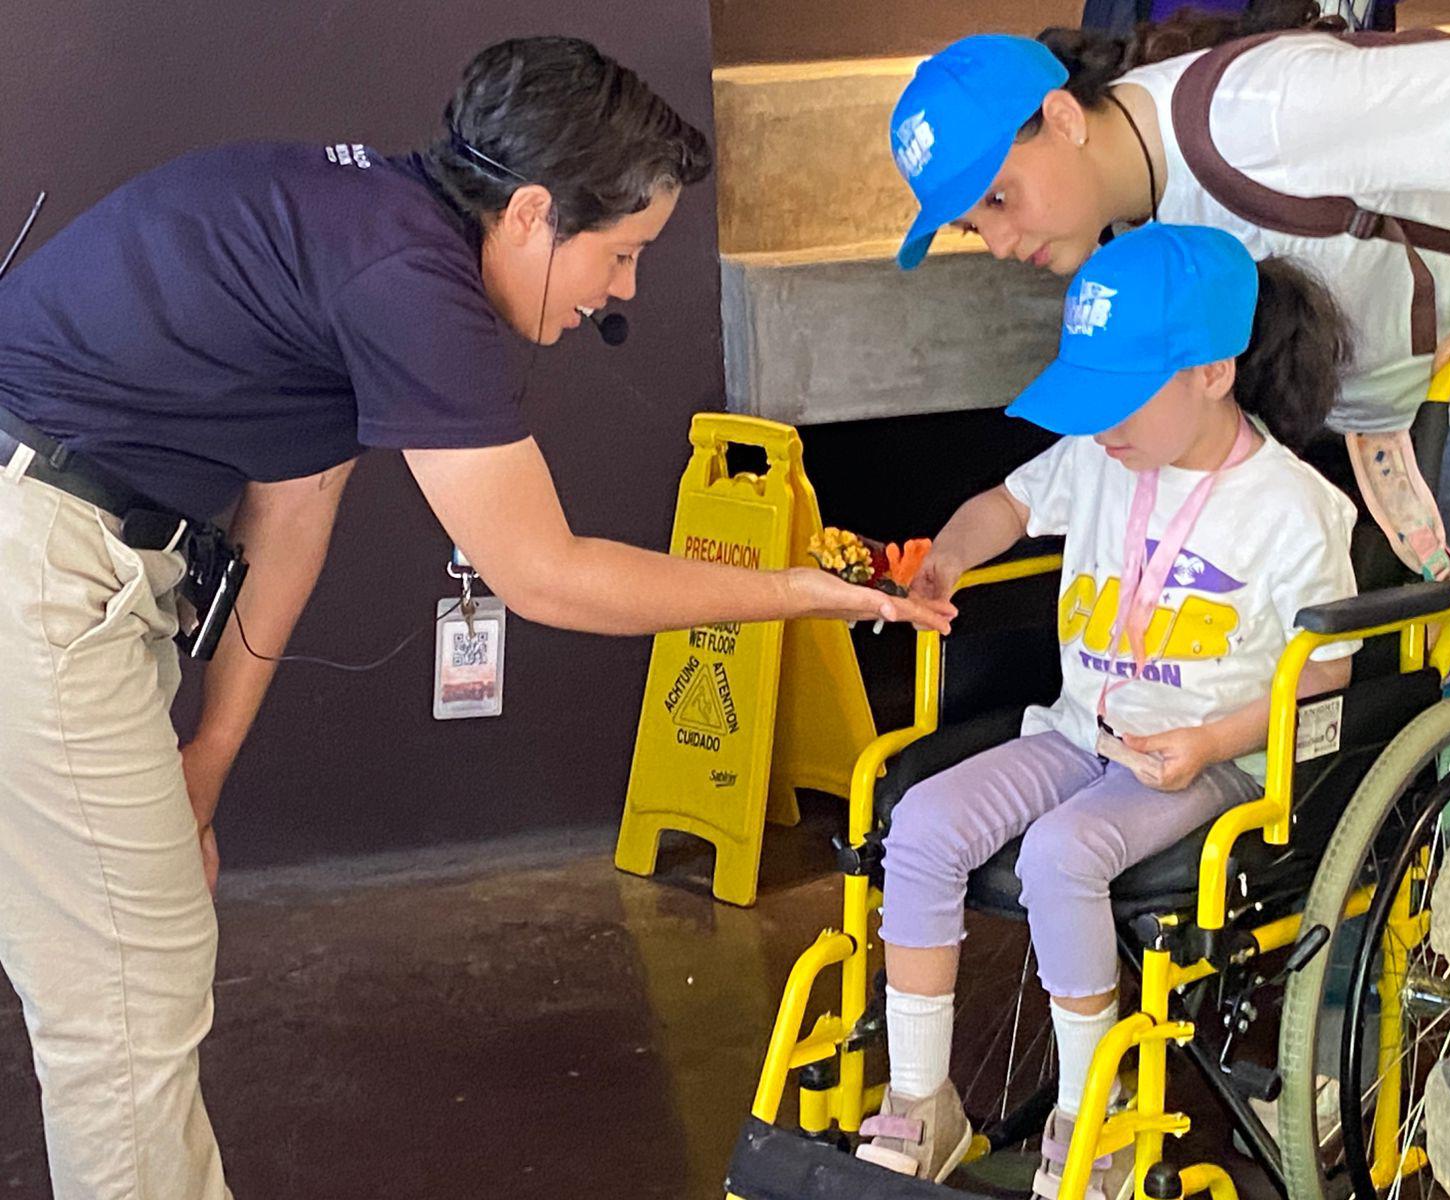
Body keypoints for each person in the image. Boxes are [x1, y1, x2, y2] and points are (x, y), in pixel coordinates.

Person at [0, 36, 953, 1200]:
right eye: (622, 253)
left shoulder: (361, 227)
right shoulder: (407, 281)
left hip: (70, 560)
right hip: (37, 560)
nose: (625, 292)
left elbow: (292, 514)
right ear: (534, 211)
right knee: (129, 996)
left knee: (120, 977)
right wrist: (800, 592)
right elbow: (544, 575)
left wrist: (209, 758)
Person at [888, 13, 1450, 718]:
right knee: (1432, 690)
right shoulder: (1128, 217)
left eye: (1000, 199)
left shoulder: (1262, 111)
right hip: (1381, 421)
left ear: (1065, 117)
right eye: (976, 226)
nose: (1002, 242)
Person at [853, 223, 1358, 1198]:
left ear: (1212, 371)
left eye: (1119, 395)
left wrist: (1210, 739)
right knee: (917, 822)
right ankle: (923, 1104)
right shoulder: (1094, 457)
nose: (1100, 421)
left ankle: (1096, 1118)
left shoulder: (1292, 510)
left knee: (1060, 853)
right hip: (1078, 732)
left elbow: (1325, 672)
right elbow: (1002, 504)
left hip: (1206, 758)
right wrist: (949, 556)